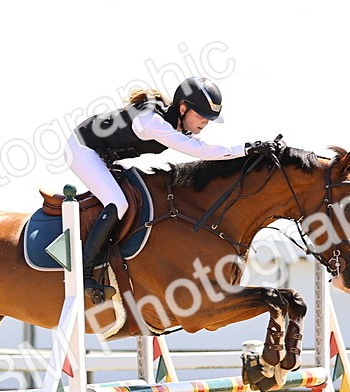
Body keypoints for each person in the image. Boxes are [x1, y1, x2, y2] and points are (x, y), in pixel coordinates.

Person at [66, 76, 248, 301]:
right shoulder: (153, 122)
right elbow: (202, 152)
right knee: (118, 203)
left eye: (208, 119)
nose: (204, 122)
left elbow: (204, 150)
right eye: (201, 116)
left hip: (103, 154)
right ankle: (84, 274)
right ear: (183, 108)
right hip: (82, 148)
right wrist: (248, 149)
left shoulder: (177, 124)